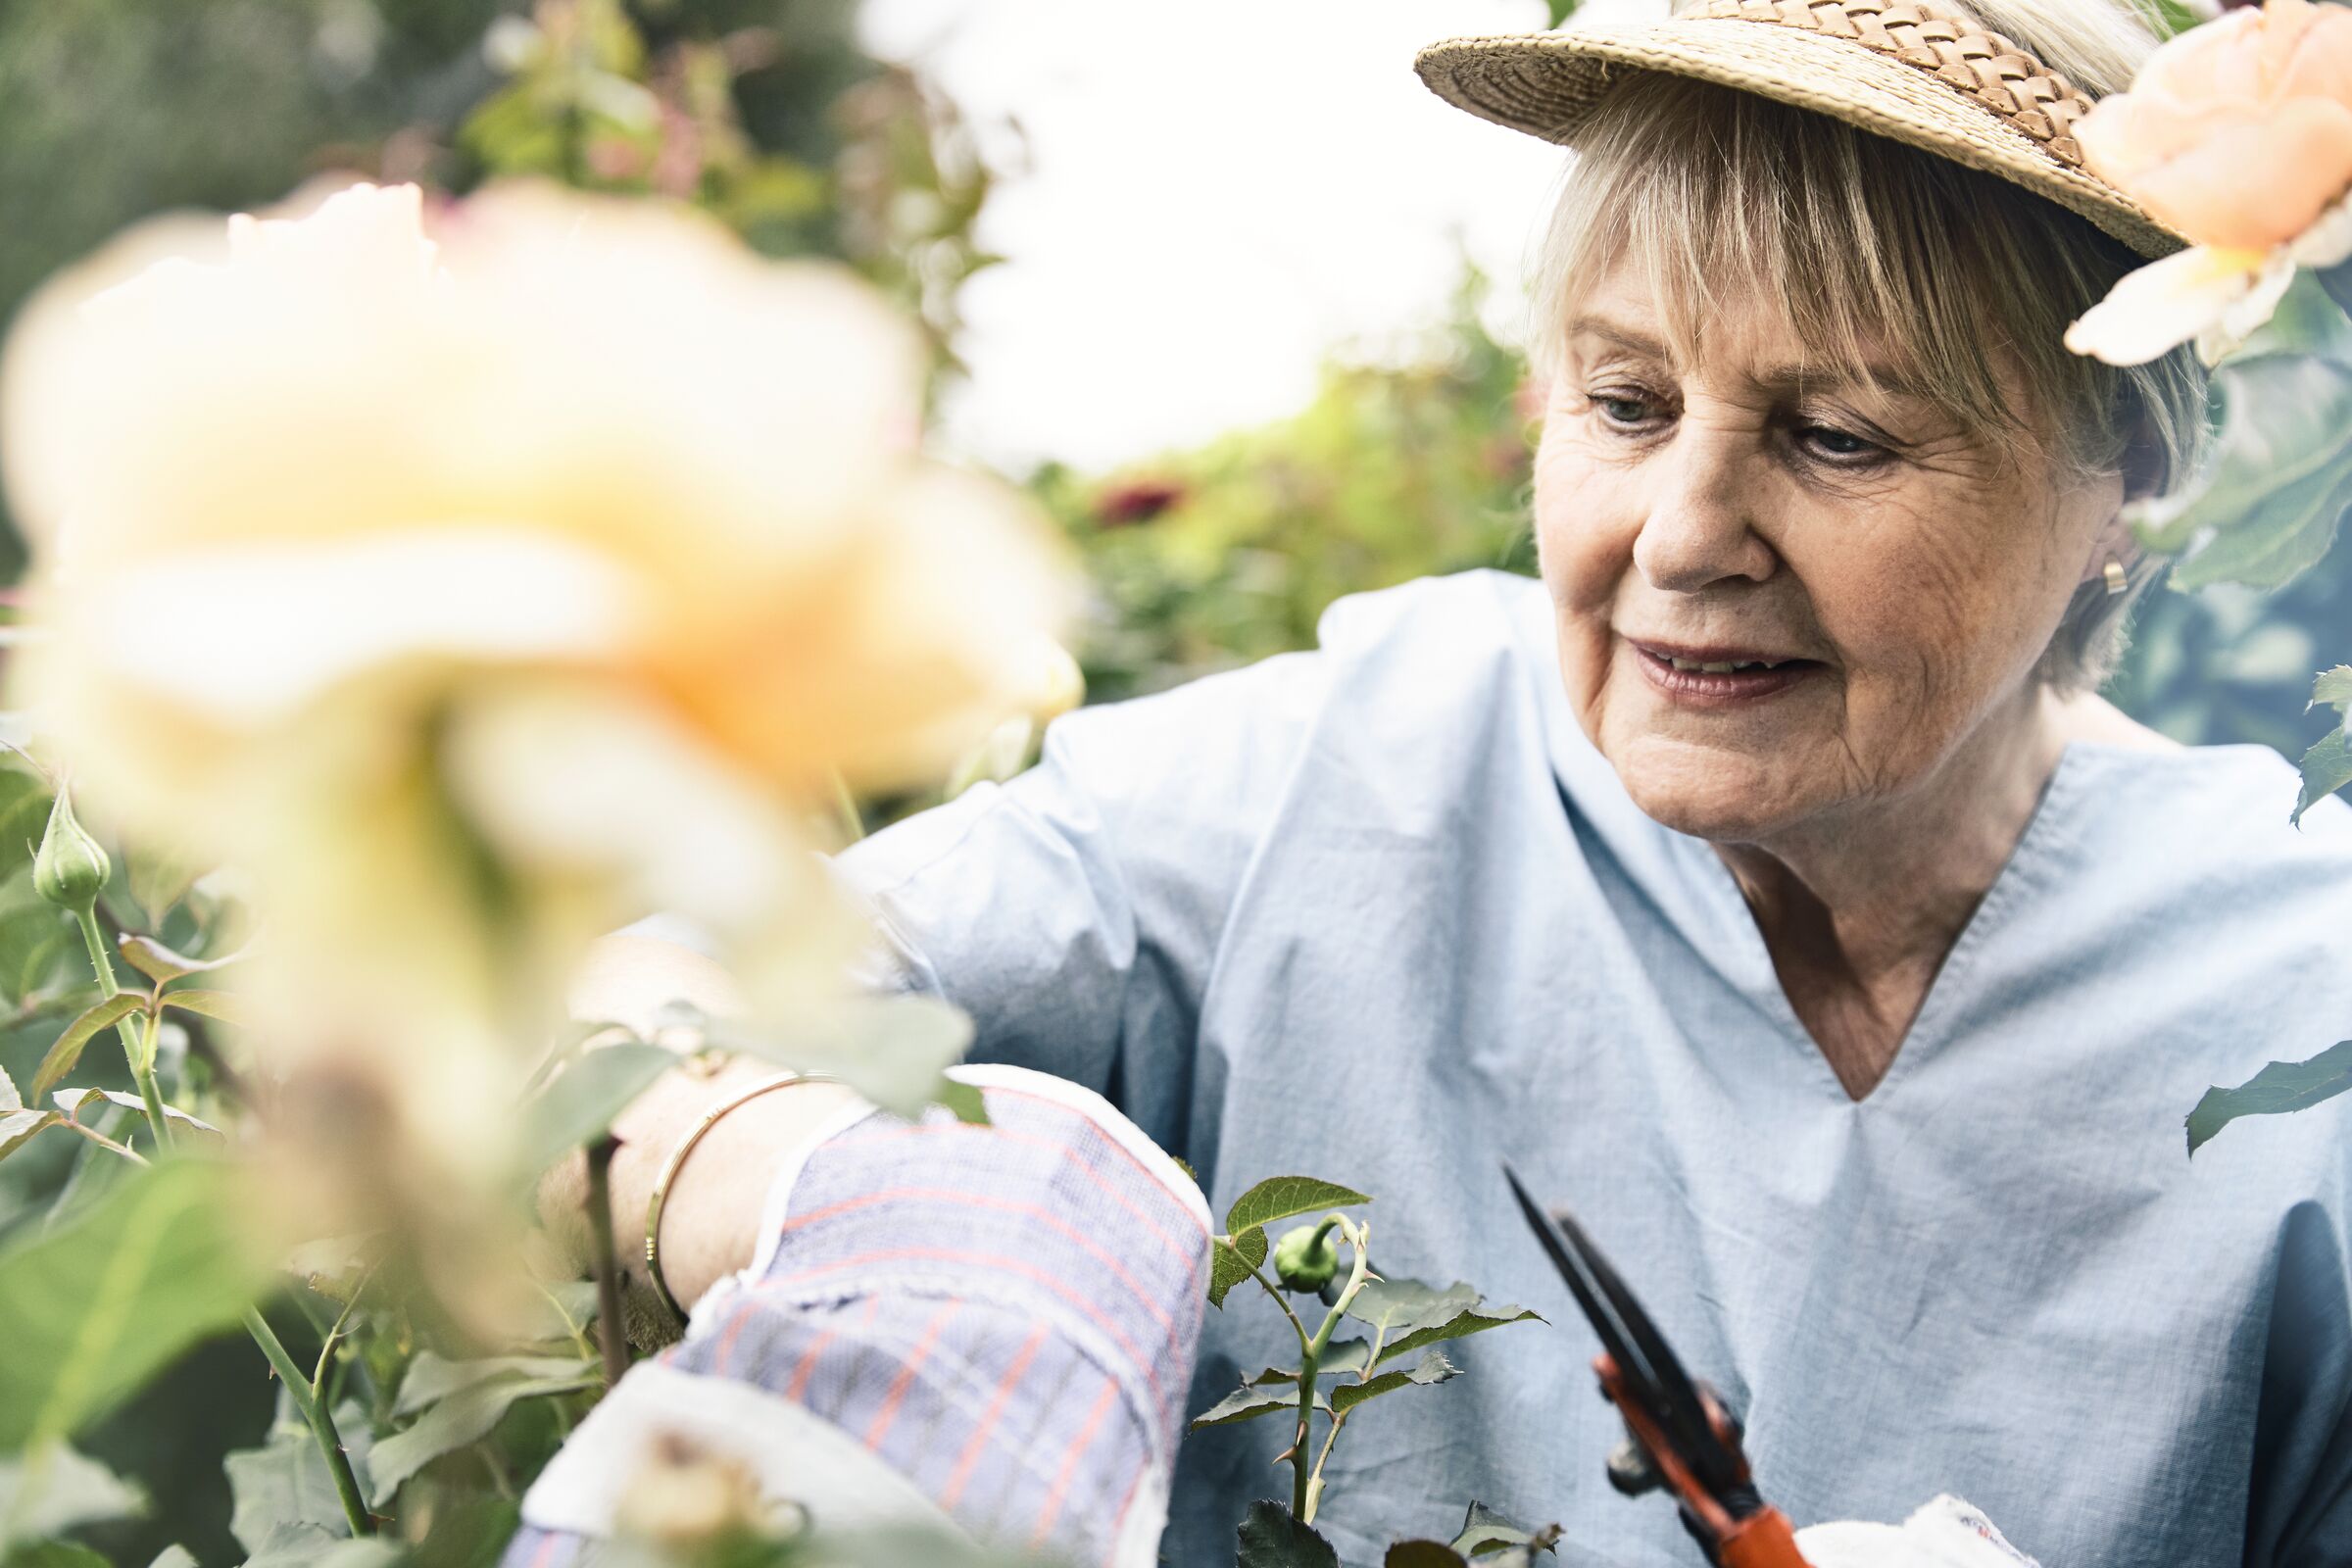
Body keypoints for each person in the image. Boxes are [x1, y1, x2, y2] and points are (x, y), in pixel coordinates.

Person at [513, 1, 2352, 1564]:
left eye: (1837, 436)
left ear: (2125, 483)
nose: (1683, 534)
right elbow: (589, 1029)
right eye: (1625, 406)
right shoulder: (1337, 783)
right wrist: (857, 1191)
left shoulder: (2301, 1003)